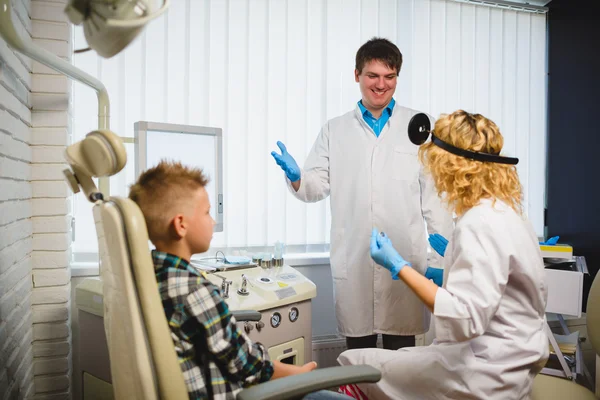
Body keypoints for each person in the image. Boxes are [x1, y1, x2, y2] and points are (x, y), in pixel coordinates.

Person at [337, 110, 549, 399]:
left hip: (486, 371)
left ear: (451, 168)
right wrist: (444, 273)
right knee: (402, 358)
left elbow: (464, 320)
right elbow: (495, 288)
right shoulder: (510, 213)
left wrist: (400, 266)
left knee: (355, 363)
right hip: (514, 362)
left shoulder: (478, 222)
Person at [271, 37, 453, 351]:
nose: (381, 85)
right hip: (354, 260)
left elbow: (435, 200)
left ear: (398, 78)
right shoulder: (335, 129)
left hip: (405, 262)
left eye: (389, 76)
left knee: (403, 356)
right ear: (357, 75)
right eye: (373, 75)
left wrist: (440, 259)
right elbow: (317, 186)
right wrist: (299, 177)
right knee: (359, 358)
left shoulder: (419, 127)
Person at [129, 161, 350, 400]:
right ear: (181, 225)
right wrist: (299, 374)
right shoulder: (194, 291)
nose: (212, 221)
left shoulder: (152, 275)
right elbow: (246, 363)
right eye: (206, 212)